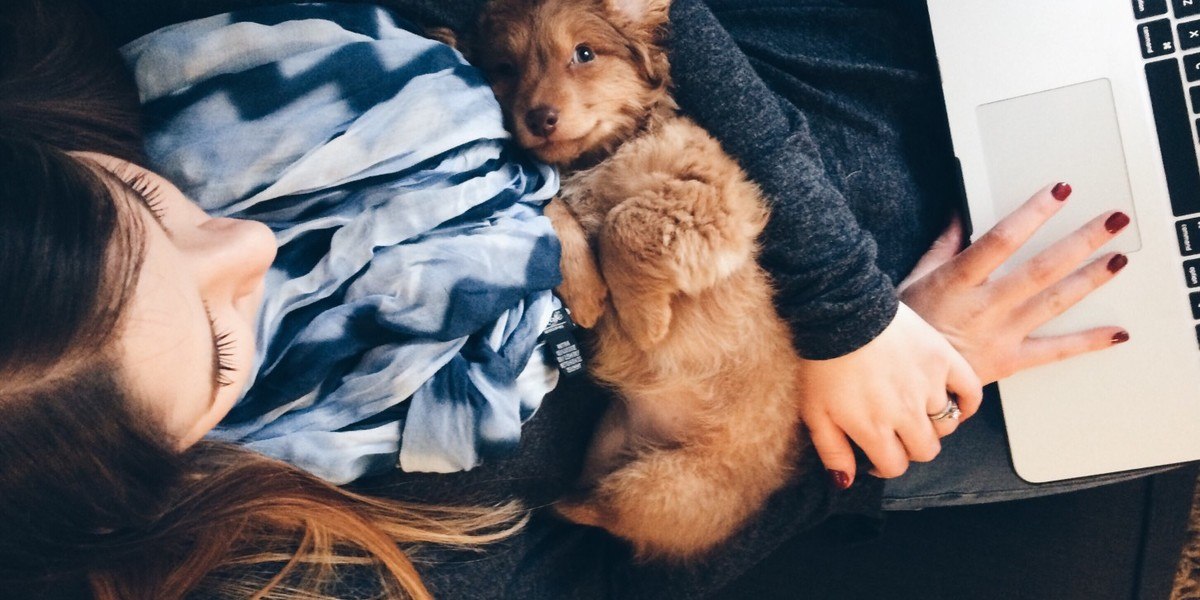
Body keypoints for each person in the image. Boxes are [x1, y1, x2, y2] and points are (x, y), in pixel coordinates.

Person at [0, 0, 1159, 598]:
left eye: (146, 206)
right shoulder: (297, 561)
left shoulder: (127, 41)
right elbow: (626, 579)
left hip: (842, 66)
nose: (249, 245)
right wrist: (902, 377)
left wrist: (845, 303)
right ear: (166, 480)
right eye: (220, 345)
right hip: (918, 377)